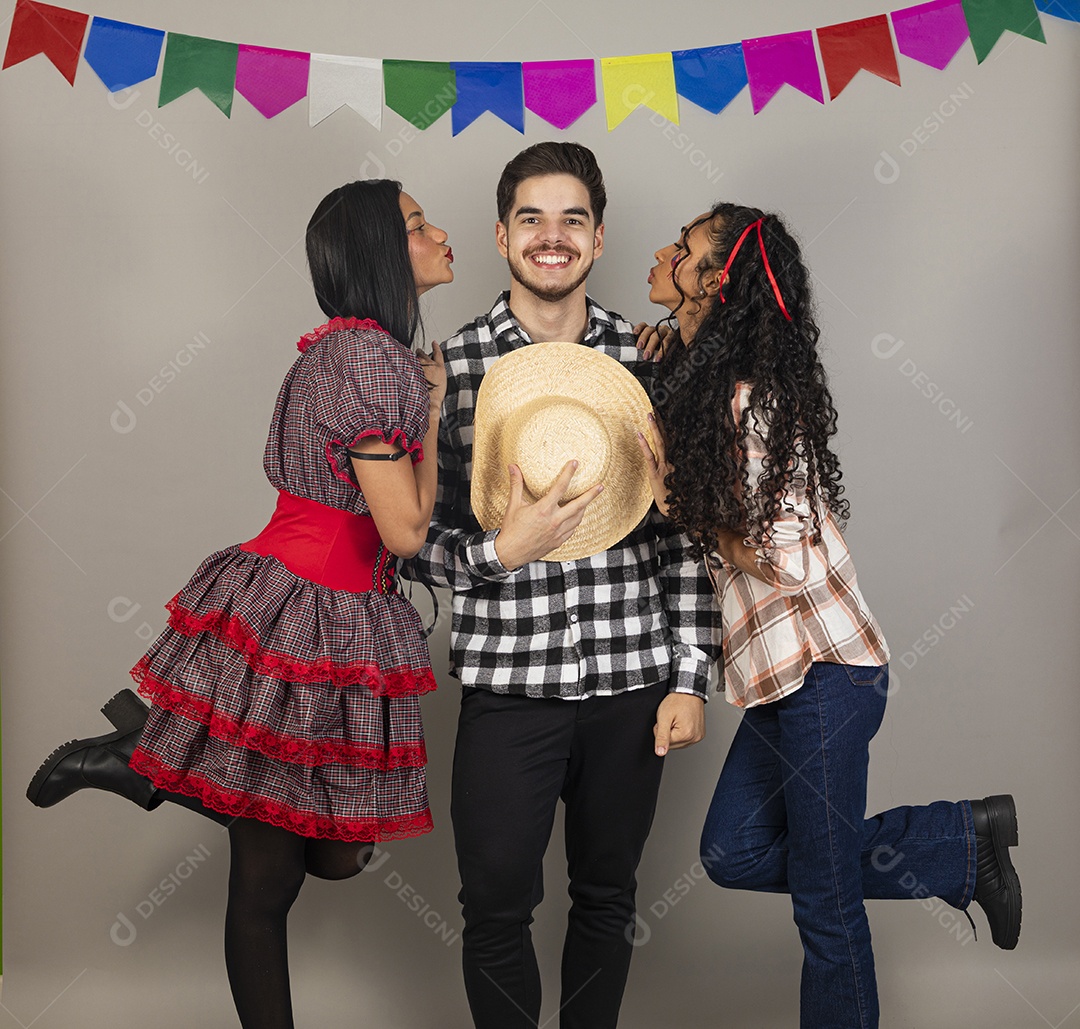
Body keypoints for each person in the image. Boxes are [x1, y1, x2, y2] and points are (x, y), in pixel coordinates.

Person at [26, 179, 453, 1029]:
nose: (441, 233)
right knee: (271, 877)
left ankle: (142, 754)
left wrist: (433, 410)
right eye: (415, 224)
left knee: (333, 856)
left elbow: (399, 512)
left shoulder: (358, 352)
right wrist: (427, 417)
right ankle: (137, 754)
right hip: (308, 608)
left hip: (331, 608)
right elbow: (406, 529)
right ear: (377, 251)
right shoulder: (367, 357)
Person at [638, 202, 1022, 1028]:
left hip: (824, 673)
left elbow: (791, 559)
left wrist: (685, 511)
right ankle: (960, 843)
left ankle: (963, 843)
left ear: (719, 282)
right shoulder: (713, 393)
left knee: (825, 906)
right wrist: (668, 359)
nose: (664, 252)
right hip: (785, 684)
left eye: (686, 248)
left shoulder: (757, 401)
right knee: (730, 850)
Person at [405, 141, 722, 1029]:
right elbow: (405, 537)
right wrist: (501, 549)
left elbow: (687, 535)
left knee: (607, 901)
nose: (553, 237)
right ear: (502, 235)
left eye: (572, 219)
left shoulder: (652, 357)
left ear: (599, 236)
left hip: (632, 684)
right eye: (532, 219)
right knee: (495, 908)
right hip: (508, 688)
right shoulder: (451, 370)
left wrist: (692, 677)